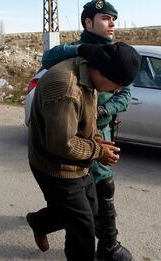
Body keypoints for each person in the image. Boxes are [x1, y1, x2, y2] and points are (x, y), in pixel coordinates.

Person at [26, 42, 140, 260]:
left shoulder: (89, 75)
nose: (117, 91)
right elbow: (62, 144)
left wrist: (98, 142)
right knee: (83, 232)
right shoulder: (66, 86)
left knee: (86, 209)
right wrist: (98, 151)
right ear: (105, 72)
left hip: (77, 164)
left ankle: (38, 222)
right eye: (118, 85)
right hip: (55, 167)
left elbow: (86, 122)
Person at [41, 1, 133, 260]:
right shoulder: (74, 52)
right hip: (72, 133)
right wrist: (82, 48)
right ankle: (105, 244)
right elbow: (47, 59)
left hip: (101, 131)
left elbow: (125, 95)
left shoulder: (118, 54)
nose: (112, 23)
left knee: (102, 189)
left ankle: (107, 244)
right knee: (75, 199)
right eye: (105, 18)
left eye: (114, 19)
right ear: (88, 22)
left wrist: (102, 111)